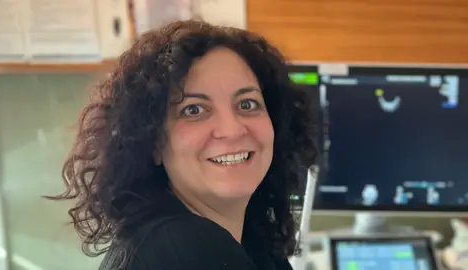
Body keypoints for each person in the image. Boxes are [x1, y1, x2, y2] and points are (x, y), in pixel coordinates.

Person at [47, 19, 316, 270]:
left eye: (247, 104)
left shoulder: (252, 245)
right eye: (194, 110)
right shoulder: (184, 248)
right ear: (151, 143)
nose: (232, 129)